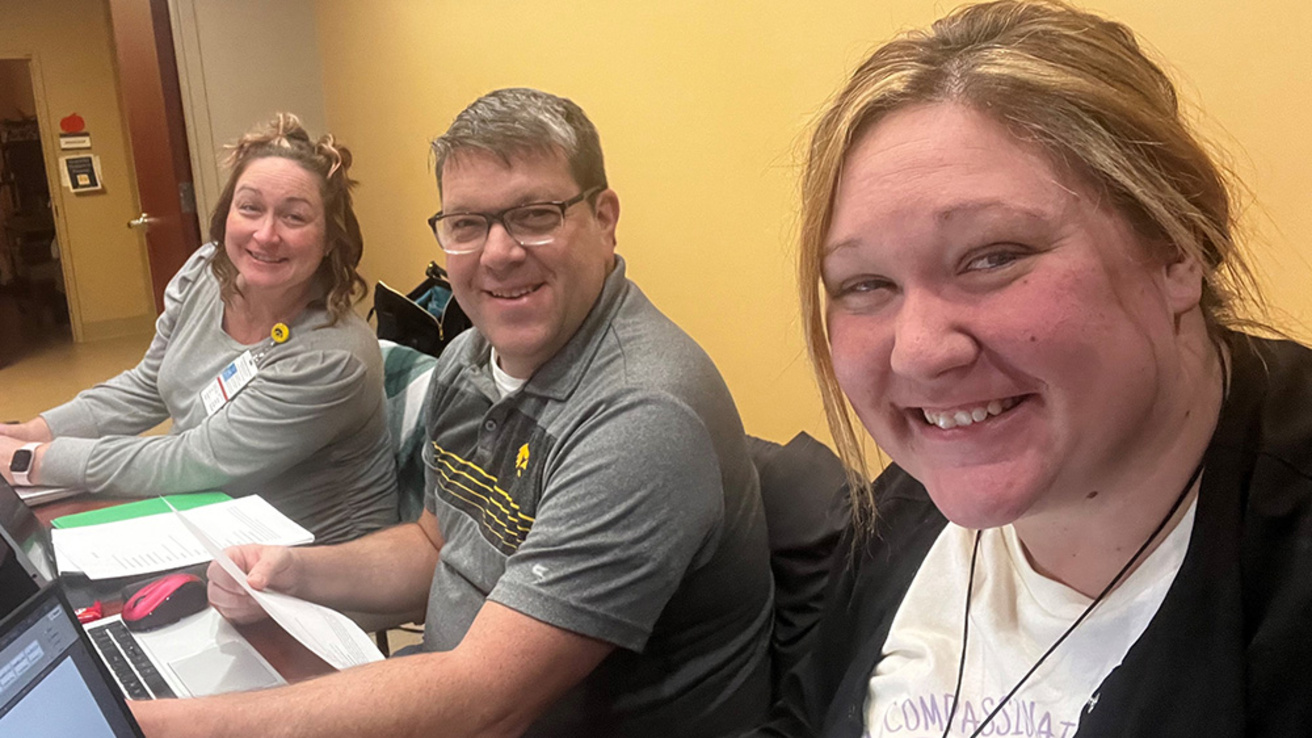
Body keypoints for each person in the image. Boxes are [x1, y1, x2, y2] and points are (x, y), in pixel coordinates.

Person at [131, 88, 773, 738]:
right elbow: (436, 547)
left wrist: (145, 727)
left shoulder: (640, 418)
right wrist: (295, 571)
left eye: (534, 214)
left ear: (605, 219)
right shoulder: (469, 360)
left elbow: (483, 703)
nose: (498, 253)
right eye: (466, 224)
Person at [754, 2, 1312, 736]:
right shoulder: (911, 503)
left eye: (994, 257)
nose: (918, 352)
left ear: (1178, 247)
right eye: (866, 286)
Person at [0, 114, 397, 544]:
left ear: (331, 240)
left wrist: (33, 460)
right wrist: (33, 432)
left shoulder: (333, 357)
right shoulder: (206, 274)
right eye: (250, 208)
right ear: (227, 214)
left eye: (294, 217)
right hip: (208, 516)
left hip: (310, 563)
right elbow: (148, 385)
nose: (265, 234)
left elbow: (195, 459)